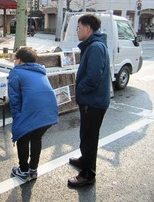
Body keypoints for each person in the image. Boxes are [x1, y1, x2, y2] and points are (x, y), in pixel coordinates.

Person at [68, 14, 110, 187]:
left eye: (78, 27)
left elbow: (93, 78)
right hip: (92, 100)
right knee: (86, 135)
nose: (77, 31)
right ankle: (85, 160)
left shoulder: (95, 47)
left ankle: (88, 174)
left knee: (89, 138)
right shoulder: (93, 45)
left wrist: (80, 90)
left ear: (88, 29)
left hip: (93, 102)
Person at [8, 47, 58, 182]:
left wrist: (17, 121)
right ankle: (33, 169)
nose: (14, 61)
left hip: (33, 111)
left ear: (20, 61)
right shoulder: (40, 71)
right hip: (50, 112)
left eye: (15, 58)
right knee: (36, 138)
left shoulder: (16, 72)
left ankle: (23, 171)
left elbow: (14, 100)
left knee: (23, 138)